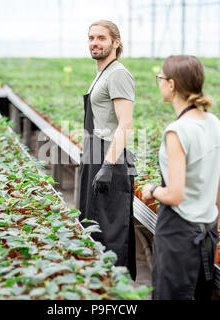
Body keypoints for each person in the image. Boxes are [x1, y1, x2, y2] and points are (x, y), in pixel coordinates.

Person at [142, 55, 220, 300]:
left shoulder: (177, 131)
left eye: (160, 77)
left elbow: (175, 194)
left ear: (171, 84)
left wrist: (152, 190)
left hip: (178, 237)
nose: (158, 82)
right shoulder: (214, 123)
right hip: (207, 236)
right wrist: (214, 228)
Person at [79, 20, 137, 280]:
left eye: (101, 38)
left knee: (111, 229)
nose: (95, 43)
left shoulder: (118, 74)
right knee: (93, 224)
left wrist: (107, 166)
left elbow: (125, 124)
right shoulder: (101, 73)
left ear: (116, 42)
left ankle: (115, 288)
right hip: (95, 154)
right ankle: (98, 285)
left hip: (109, 159)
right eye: (91, 38)